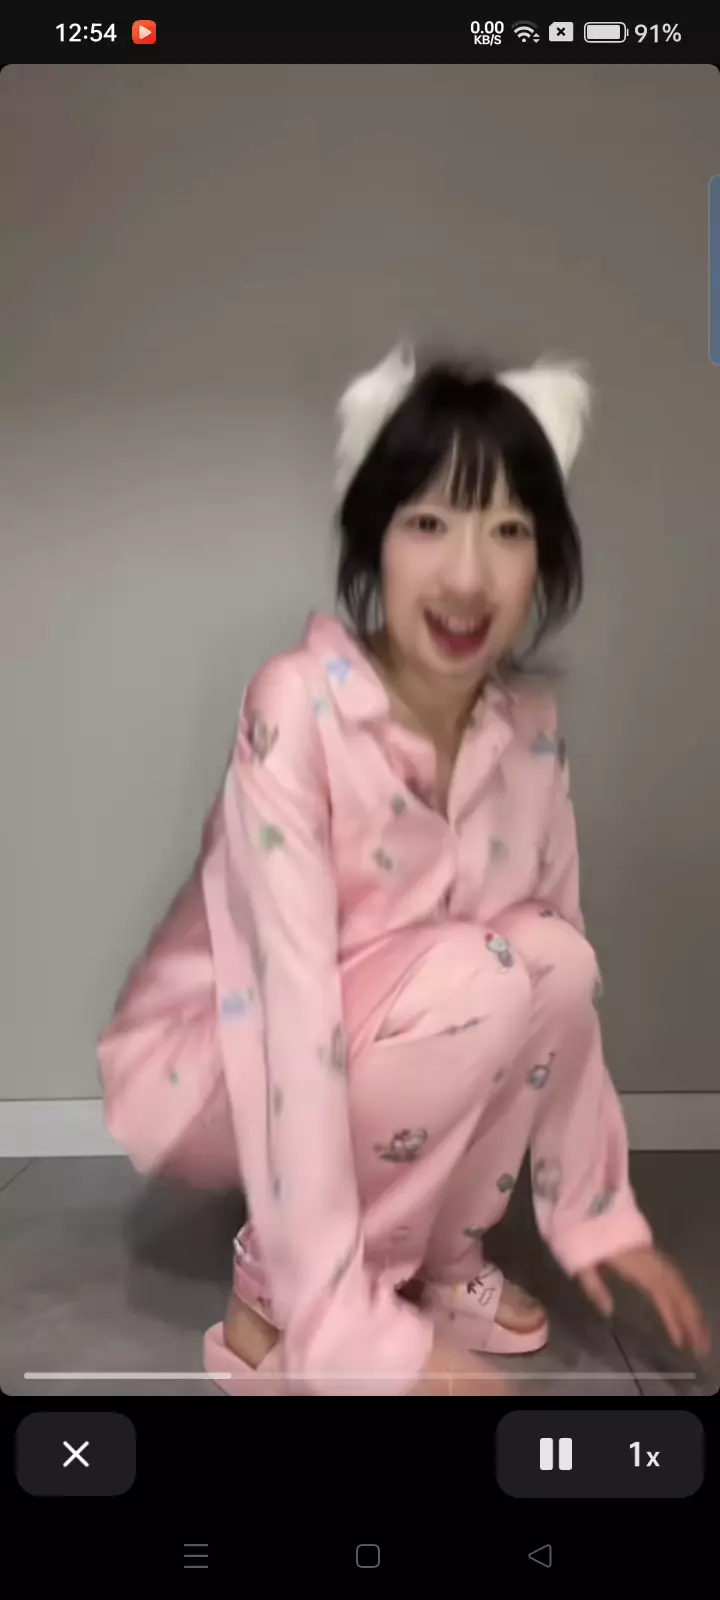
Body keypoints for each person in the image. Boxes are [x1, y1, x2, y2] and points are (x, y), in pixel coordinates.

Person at [99, 344, 710, 1398]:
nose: (468, 576)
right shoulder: (296, 706)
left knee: (550, 960)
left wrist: (595, 1213)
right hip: (226, 1056)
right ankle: (280, 1297)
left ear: (543, 559)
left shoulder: (529, 728)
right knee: (478, 976)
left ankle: (439, 1258)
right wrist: (344, 1326)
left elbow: (560, 990)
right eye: (429, 523)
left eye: (508, 530)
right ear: (373, 537)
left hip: (399, 1020)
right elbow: (288, 1011)